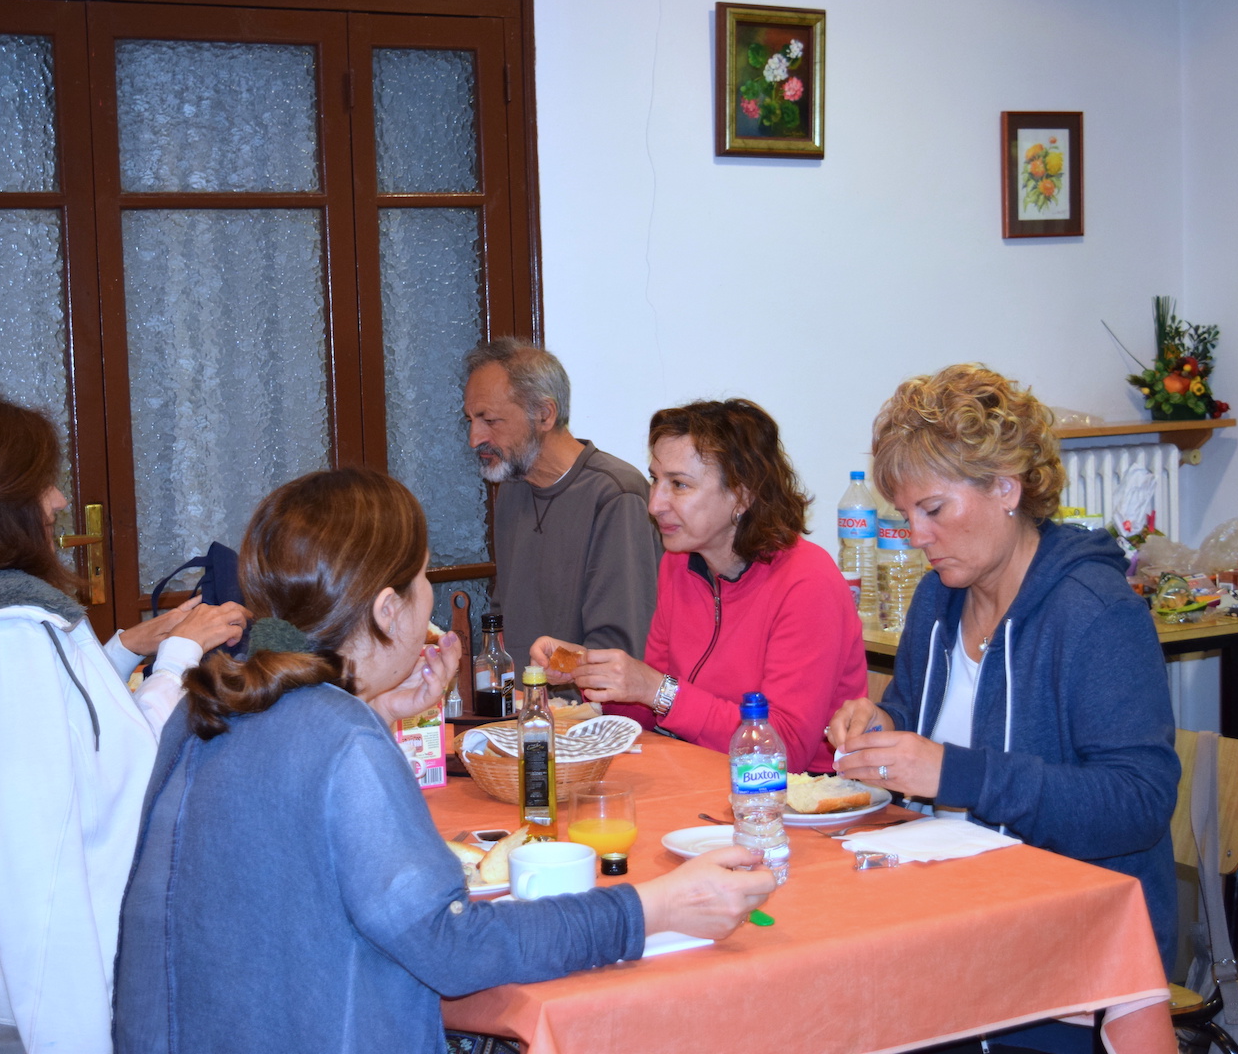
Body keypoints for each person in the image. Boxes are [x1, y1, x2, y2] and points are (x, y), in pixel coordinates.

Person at [112, 467, 776, 1054]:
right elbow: (454, 947)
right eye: (422, 578)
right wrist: (654, 908)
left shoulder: (208, 704)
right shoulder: (341, 739)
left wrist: (375, 708)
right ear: (387, 609)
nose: (429, 594)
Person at [0, 391, 249, 1054]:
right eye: (43, 485)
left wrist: (133, 649)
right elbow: (101, 798)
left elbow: (72, 738)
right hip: (29, 990)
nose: (57, 503)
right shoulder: (7, 643)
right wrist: (179, 658)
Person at [828, 364, 1178, 1054]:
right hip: (945, 915)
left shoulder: (1096, 614)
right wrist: (881, 729)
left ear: (1006, 488)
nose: (917, 536)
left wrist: (956, 774)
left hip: (1065, 955)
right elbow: (912, 713)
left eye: (934, 510)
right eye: (906, 515)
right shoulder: (939, 599)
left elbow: (1138, 802)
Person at [533, 399, 865, 773]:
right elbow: (649, 714)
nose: (655, 504)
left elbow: (783, 748)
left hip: (796, 795)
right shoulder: (678, 564)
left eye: (679, 484)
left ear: (742, 494)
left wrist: (657, 689)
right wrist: (590, 671)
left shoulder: (807, 581)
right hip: (701, 774)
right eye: (655, 480)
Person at [462, 340, 660, 665]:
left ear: (544, 414)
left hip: (584, 698)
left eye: (490, 421)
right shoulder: (512, 489)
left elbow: (618, 648)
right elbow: (504, 618)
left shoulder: (615, 495)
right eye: (470, 420)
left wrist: (543, 686)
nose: (475, 438)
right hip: (521, 696)